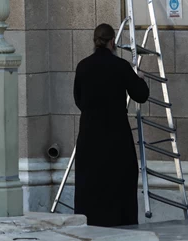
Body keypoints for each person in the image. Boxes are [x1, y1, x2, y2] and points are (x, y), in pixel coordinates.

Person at [73, 23, 150, 227]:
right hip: (116, 137)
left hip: (89, 136)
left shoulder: (83, 66)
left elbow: (78, 99)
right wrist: (140, 78)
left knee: (91, 184)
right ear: (112, 42)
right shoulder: (120, 66)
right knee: (118, 182)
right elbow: (141, 95)